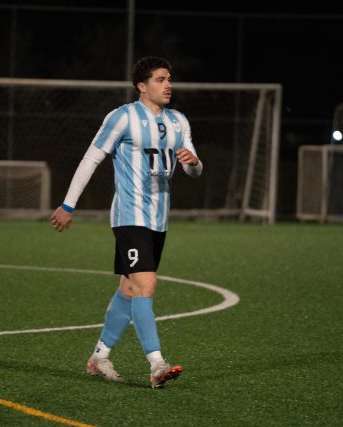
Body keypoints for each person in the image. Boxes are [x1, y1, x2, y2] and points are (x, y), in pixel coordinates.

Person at [51, 56, 203, 388]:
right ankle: (157, 364)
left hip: (159, 220)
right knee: (146, 286)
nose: (168, 85)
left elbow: (194, 169)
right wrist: (68, 204)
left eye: (169, 79)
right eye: (160, 79)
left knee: (129, 289)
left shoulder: (178, 121)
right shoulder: (122, 117)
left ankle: (99, 357)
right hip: (130, 217)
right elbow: (91, 158)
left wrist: (193, 162)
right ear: (142, 86)